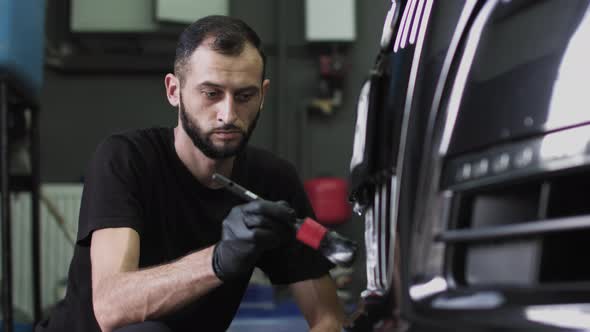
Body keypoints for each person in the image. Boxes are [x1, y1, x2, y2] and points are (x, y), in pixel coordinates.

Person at [36, 15, 345, 332]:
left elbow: (328, 318)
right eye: (211, 94)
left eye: (244, 96)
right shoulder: (126, 158)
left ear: (262, 95)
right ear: (174, 90)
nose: (228, 114)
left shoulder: (273, 181)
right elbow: (112, 307)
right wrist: (219, 259)